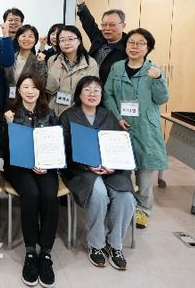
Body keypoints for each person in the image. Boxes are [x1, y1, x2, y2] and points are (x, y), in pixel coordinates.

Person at [60, 76, 135, 271]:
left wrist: (114, 165)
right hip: (81, 170)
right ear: (79, 94)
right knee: (99, 193)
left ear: (101, 95)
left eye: (96, 90)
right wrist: (87, 166)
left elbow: (119, 145)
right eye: (87, 90)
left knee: (126, 197)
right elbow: (64, 149)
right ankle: (96, 243)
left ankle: (115, 244)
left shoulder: (108, 115)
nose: (92, 94)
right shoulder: (68, 116)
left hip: (111, 168)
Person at [103, 28, 168, 229]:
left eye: (140, 43)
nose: (135, 47)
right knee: (120, 169)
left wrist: (158, 79)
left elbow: (162, 98)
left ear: (148, 48)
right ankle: (120, 205)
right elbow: (107, 94)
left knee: (144, 173)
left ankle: (143, 211)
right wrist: (118, 117)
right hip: (121, 125)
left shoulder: (153, 70)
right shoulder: (117, 67)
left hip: (145, 127)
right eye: (131, 42)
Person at [2, 72, 58, 287]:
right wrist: (8, 125)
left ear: (40, 90)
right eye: (25, 86)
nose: (30, 91)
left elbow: (56, 144)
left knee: (49, 196)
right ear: (19, 90)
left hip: (45, 165)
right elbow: (4, 149)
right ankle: (31, 252)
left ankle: (46, 252)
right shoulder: (10, 112)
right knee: (32, 195)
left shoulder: (49, 113)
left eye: (34, 87)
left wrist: (47, 164)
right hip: (19, 167)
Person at [73, 0, 128, 84]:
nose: (107, 28)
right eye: (104, 25)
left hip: (111, 89)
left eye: (112, 25)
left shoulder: (129, 45)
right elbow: (87, 20)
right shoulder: (98, 37)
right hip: (89, 85)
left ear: (123, 25)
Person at [46, 25, 99, 117]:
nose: (66, 43)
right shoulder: (52, 60)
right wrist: (55, 69)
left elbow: (92, 91)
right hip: (55, 111)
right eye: (62, 40)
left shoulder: (90, 63)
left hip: (81, 112)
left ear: (79, 41)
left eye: (70, 39)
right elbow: (50, 89)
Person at [3, 24, 47, 107]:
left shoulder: (38, 61)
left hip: (28, 103)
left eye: (30, 36)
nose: (26, 39)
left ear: (35, 40)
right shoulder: (10, 58)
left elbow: (41, 83)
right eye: (23, 36)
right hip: (8, 102)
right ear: (17, 38)